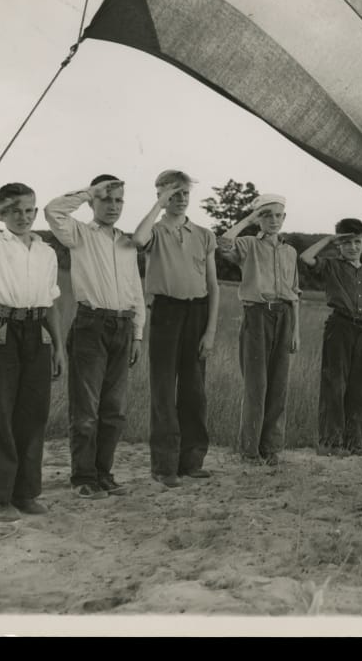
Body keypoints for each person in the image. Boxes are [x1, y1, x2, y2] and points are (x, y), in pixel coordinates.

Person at [45, 175, 146, 500]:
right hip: (91, 325)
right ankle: (84, 477)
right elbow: (52, 211)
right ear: (93, 203)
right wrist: (89, 191)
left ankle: (104, 473)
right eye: (106, 199)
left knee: (114, 410)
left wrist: (138, 334)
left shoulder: (126, 243)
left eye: (118, 200)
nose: (113, 206)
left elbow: (135, 289)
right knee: (86, 410)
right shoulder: (80, 234)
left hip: (123, 326)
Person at [0, 183, 65, 521]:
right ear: (2, 213)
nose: (23, 217)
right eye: (14, 211)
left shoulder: (46, 252)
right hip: (1, 330)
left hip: (37, 331)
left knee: (33, 414)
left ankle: (25, 493)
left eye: (28, 211)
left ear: (36, 212)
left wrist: (58, 347)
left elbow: (51, 302)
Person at [132, 170, 219, 487]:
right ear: (160, 195)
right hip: (166, 312)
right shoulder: (155, 231)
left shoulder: (204, 234)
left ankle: (191, 461)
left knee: (194, 391)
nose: (180, 199)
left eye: (184, 193)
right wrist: (159, 205)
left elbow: (213, 285)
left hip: (197, 312)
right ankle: (164, 465)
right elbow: (137, 240)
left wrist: (210, 331)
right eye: (173, 194)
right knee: (164, 390)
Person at [217, 194, 301, 466]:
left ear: (284, 218)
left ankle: (271, 448)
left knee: (279, 386)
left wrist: (296, 331)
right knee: (257, 386)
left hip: (284, 316)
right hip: (257, 315)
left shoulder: (290, 252)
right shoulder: (249, 244)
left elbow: (295, 294)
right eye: (266, 215)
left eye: (278, 215)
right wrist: (249, 219)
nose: (273, 220)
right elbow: (222, 244)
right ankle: (250, 450)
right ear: (258, 219)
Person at [299, 219, 362, 457]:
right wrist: (329, 239)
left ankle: (355, 441)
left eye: (357, 241)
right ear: (339, 245)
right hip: (340, 328)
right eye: (346, 243)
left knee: (360, 388)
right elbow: (306, 258)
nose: (353, 247)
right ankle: (330, 442)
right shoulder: (331, 266)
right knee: (335, 384)